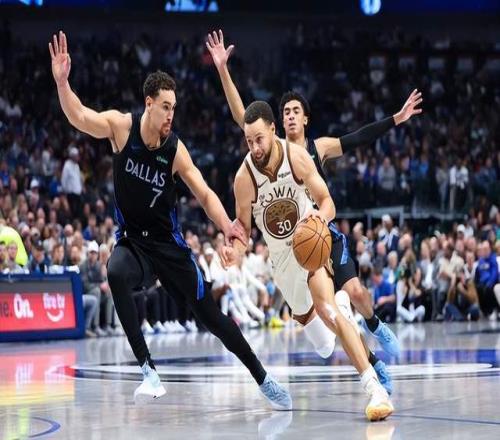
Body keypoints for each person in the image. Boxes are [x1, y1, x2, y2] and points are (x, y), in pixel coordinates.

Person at [49, 30, 291, 410]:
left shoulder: (175, 149)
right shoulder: (121, 128)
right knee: (115, 272)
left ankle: (263, 377)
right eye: (165, 107)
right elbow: (79, 116)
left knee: (211, 318)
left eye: (174, 108)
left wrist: (227, 225)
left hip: (169, 247)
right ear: (149, 104)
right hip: (134, 244)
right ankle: (149, 371)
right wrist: (63, 83)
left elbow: (204, 193)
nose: (171, 115)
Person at [206, 30, 423, 358]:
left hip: (322, 231)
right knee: (327, 327)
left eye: (296, 110)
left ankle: (374, 323)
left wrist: (397, 118)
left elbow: (358, 137)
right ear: (277, 124)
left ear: (305, 118)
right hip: (293, 243)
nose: (290, 115)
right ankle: (368, 359)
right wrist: (223, 69)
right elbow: (241, 115)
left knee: (357, 292)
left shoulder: (318, 147)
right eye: (286, 112)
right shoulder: (272, 149)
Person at [223, 100, 393, 421]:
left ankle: (374, 389)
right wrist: (235, 250)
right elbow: (243, 229)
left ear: (273, 130)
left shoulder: (297, 156)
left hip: (310, 248)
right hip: (283, 265)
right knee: (324, 346)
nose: (255, 147)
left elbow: (328, 202)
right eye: (248, 141)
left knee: (329, 312)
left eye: (259, 139)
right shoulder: (244, 178)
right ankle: (342, 306)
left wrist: (317, 218)